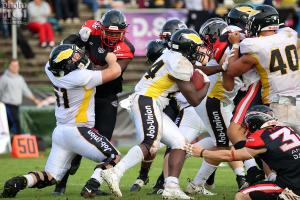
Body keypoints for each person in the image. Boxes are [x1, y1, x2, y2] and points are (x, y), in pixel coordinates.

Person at [0, 44, 123, 198]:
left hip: (60, 133)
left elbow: (56, 59)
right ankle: (92, 185)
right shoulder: (80, 77)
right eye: (75, 57)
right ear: (69, 65)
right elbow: (116, 71)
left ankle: (21, 181)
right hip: (78, 130)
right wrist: (111, 58)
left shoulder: (50, 70)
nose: (79, 57)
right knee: (114, 156)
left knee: (50, 176)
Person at [100, 28, 210, 199]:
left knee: (180, 143)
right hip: (147, 100)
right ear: (187, 48)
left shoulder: (172, 55)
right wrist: (207, 84)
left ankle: (171, 187)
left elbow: (195, 69)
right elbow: (195, 99)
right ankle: (115, 172)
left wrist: (220, 68)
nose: (198, 51)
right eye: (195, 48)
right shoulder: (179, 63)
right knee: (151, 143)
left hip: (151, 101)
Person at [53, 9, 134, 195]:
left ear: (123, 32)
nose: (113, 37)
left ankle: (93, 185)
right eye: (110, 32)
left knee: (105, 144)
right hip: (85, 96)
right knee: (76, 141)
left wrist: (90, 57)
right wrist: (77, 42)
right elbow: (69, 45)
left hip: (106, 95)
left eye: (117, 34)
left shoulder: (126, 48)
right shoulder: (91, 29)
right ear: (102, 28)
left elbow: (110, 72)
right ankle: (61, 183)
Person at [185, 105, 300, 200]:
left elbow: (231, 155)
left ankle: (289, 196)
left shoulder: (261, 137)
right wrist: (271, 176)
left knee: (241, 196)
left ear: (254, 122)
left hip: (291, 184)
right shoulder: (287, 129)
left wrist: (202, 152)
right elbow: (267, 156)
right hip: (293, 178)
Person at [130, 19, 187, 194]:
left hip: (175, 100)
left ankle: (163, 182)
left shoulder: (178, 53)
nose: (165, 40)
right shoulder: (164, 51)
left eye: (168, 37)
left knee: (175, 143)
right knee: (153, 142)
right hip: (162, 98)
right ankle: (144, 175)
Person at [0, 60, 40, 134]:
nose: (15, 67)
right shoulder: (4, 79)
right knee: (15, 124)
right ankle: (16, 140)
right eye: (13, 66)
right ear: (9, 66)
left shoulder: (20, 78)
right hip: (7, 106)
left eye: (17, 66)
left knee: (9, 125)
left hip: (16, 106)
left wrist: (35, 100)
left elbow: (26, 91)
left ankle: (11, 142)